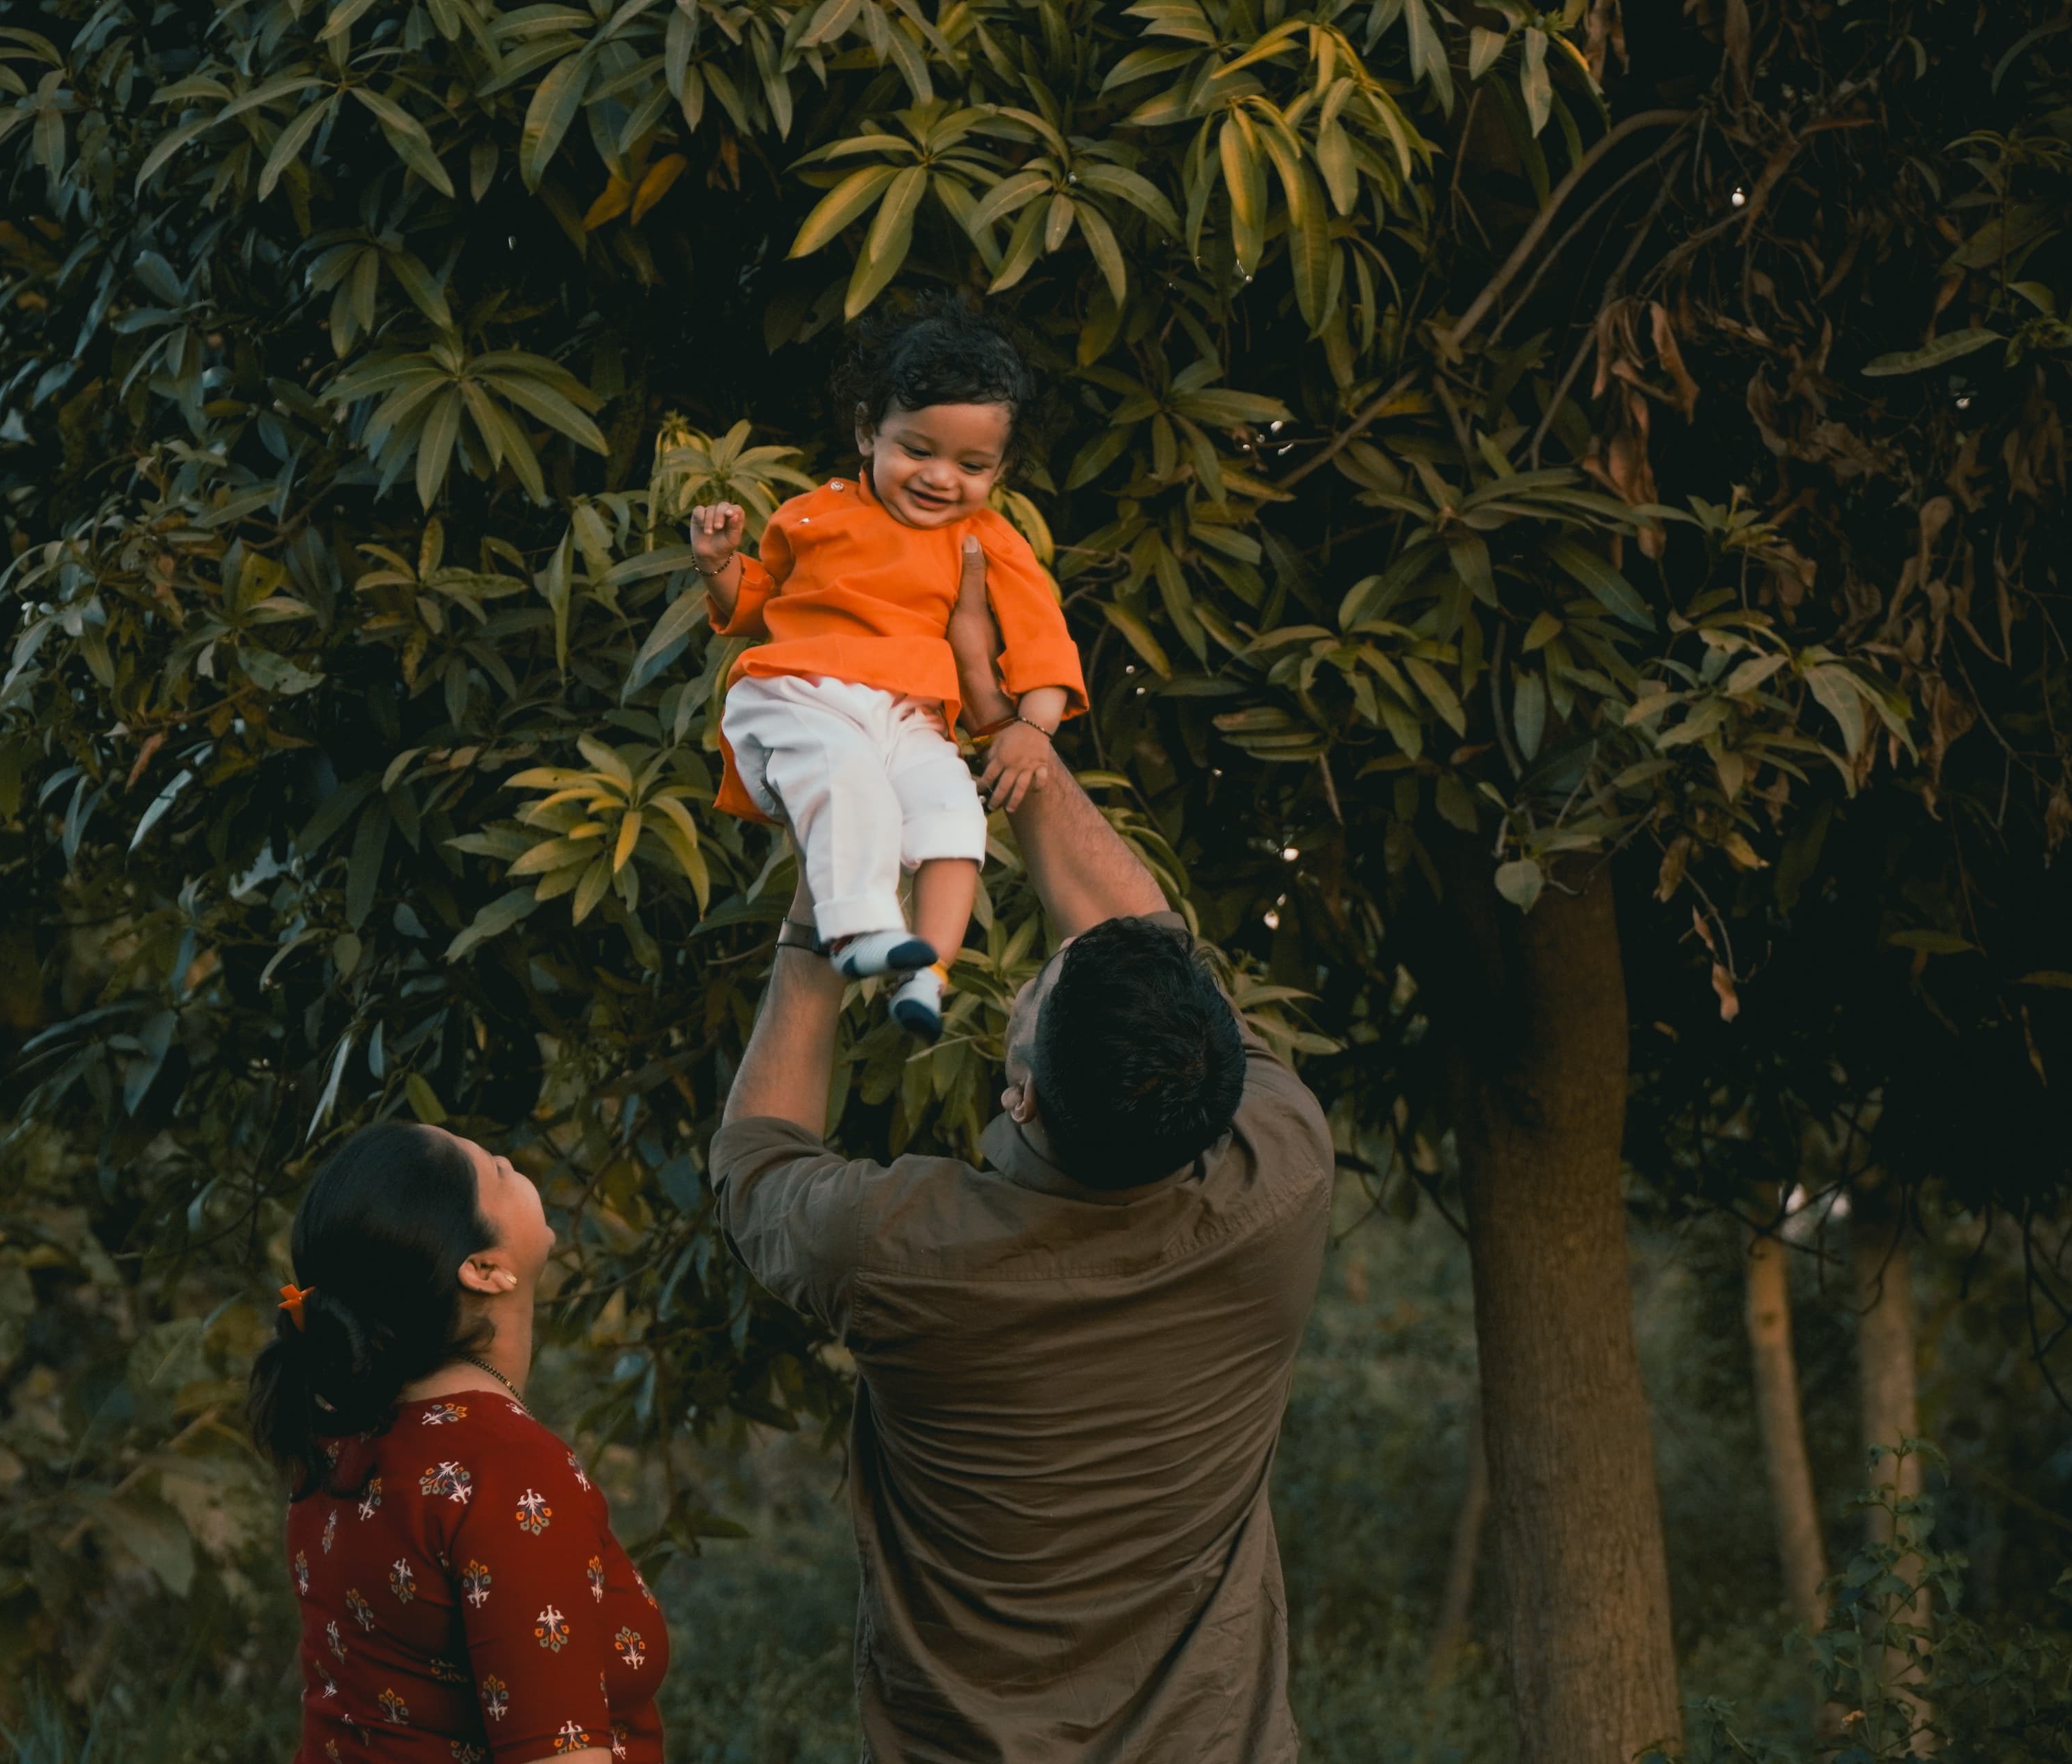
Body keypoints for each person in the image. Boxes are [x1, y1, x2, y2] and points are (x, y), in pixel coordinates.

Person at [707, 554, 1339, 1762]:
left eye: (1031, 994)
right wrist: (1004, 727)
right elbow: (1146, 946)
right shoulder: (1282, 1170)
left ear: (1020, 1098)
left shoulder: (906, 1257)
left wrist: (828, 896)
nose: (1043, 961)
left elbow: (756, 1163)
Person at [686, 300, 1087, 1040]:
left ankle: (926, 971)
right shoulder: (813, 514)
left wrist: (1035, 726)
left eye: (972, 465)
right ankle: (858, 931)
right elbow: (760, 604)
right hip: (796, 696)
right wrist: (718, 567)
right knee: (848, 777)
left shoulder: (987, 539)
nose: (941, 478)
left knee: (953, 814)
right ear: (870, 430)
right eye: (917, 449)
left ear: (1002, 469)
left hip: (908, 716)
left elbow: (1043, 641)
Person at [250, 1122, 668, 1763]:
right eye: (494, 1169)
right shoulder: (509, 1470)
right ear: (484, 1269)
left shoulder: (341, 1443)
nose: (507, 1157)